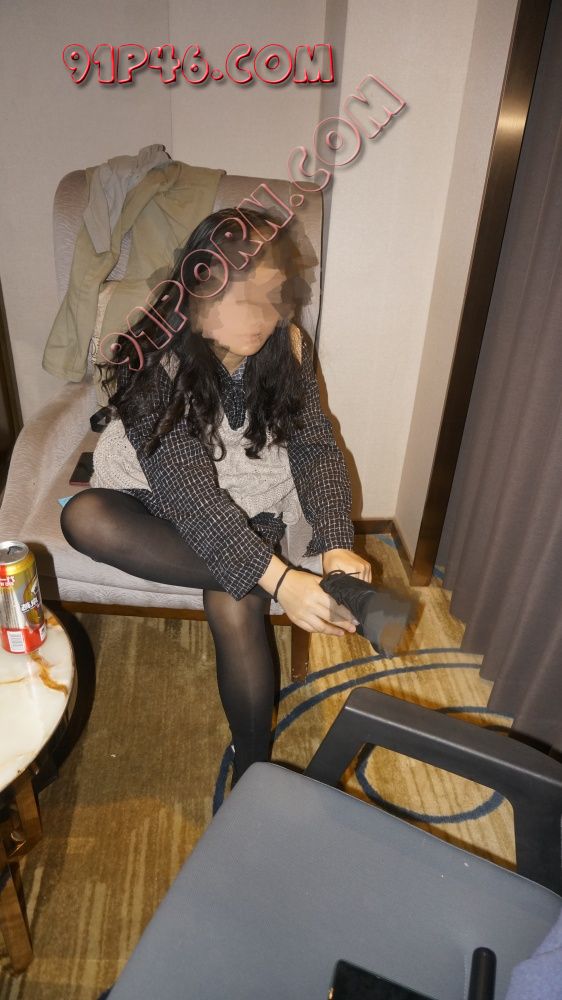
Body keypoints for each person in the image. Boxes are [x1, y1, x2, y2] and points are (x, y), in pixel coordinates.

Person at [60, 207, 372, 783]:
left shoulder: (289, 345)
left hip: (249, 499)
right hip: (156, 494)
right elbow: (186, 490)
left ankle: (254, 772)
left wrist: (335, 543)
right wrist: (282, 579)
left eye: (270, 296)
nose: (259, 317)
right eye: (236, 299)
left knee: (236, 600)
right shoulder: (149, 356)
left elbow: (314, 445)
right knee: (84, 517)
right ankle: (258, 571)